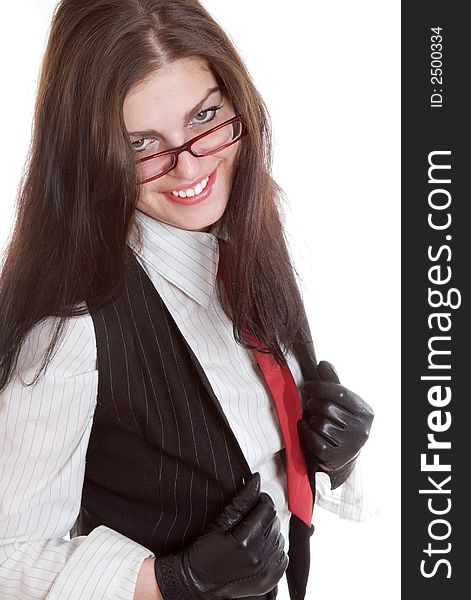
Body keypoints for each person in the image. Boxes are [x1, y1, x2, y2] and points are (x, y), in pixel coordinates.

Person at [0, 1, 374, 599]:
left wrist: (334, 455)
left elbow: (245, 442)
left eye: (204, 116)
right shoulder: (70, 325)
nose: (190, 164)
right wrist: (171, 581)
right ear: (91, 154)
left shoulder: (245, 236)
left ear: (236, 100)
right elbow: (7, 557)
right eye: (144, 143)